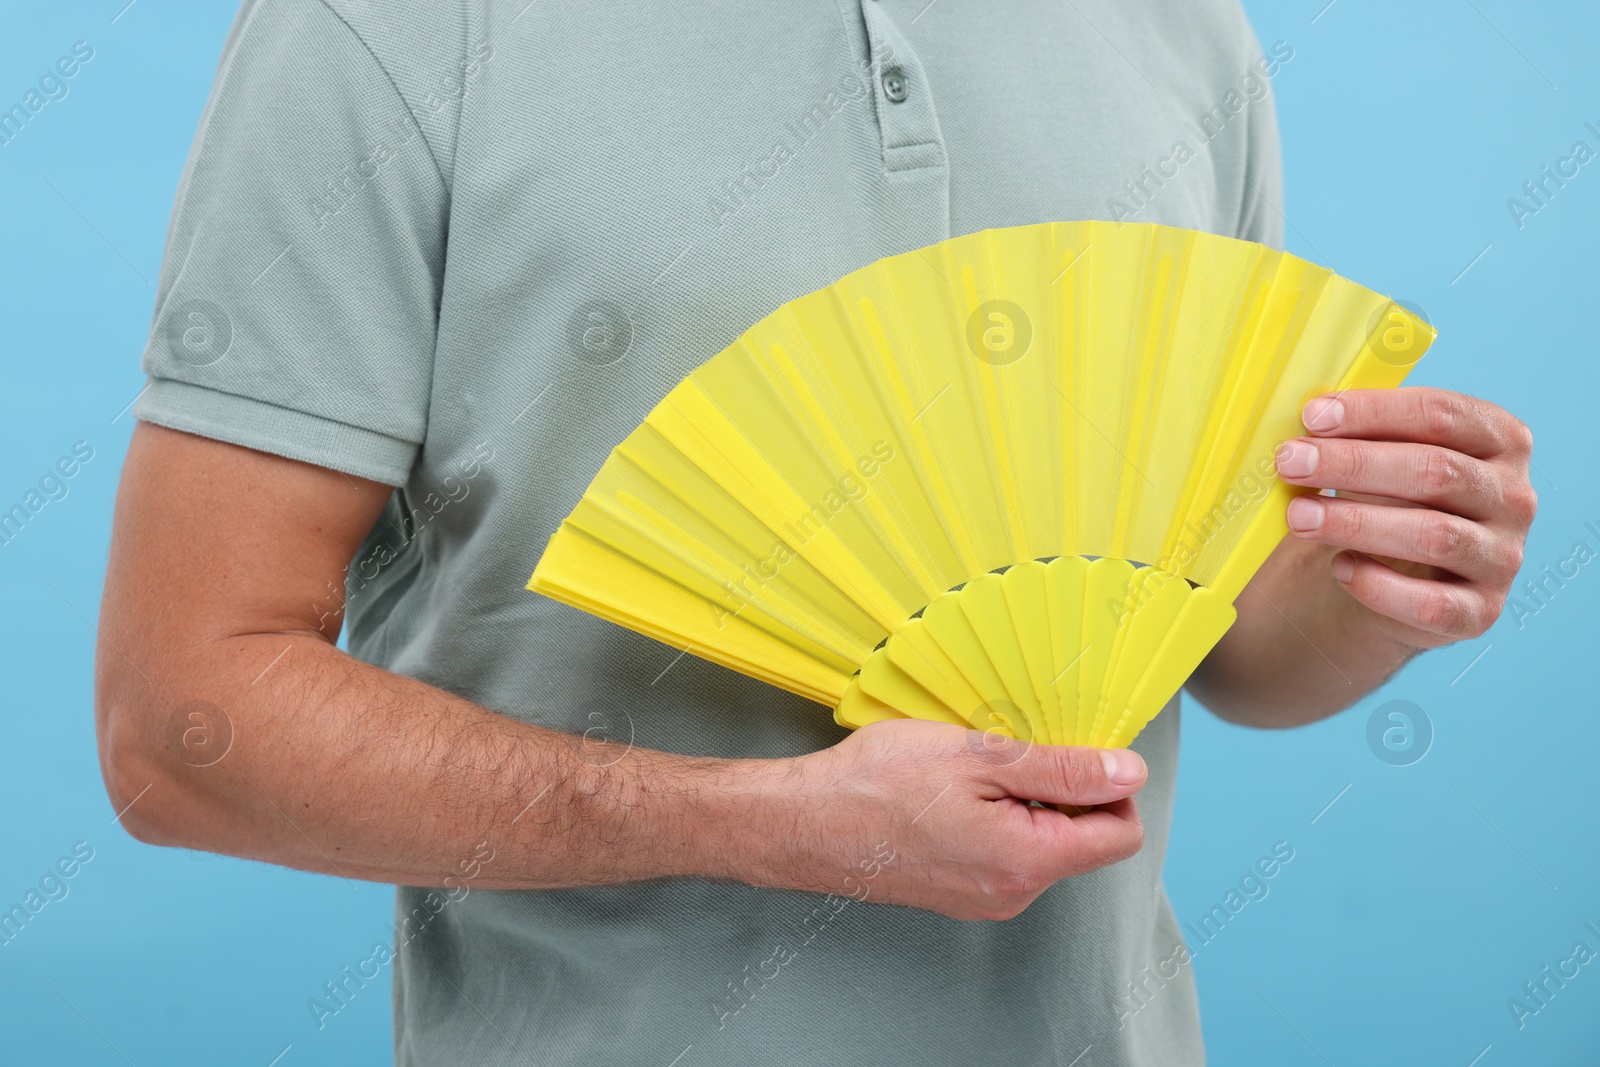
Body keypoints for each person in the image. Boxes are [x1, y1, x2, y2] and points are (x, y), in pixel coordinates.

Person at [94, 1, 1535, 1063]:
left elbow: (1228, 658)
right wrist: (767, 828)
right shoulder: (380, 33)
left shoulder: (1183, 33)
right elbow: (179, 723)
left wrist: (1373, 589)